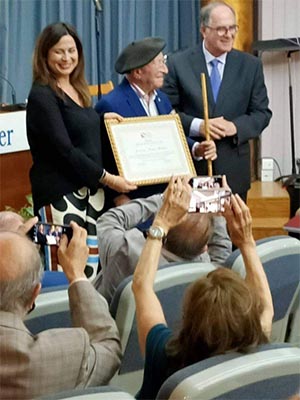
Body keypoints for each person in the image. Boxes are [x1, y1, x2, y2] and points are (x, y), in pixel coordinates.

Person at [132, 176, 274, 399]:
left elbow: (141, 286)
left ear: (189, 318)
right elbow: (266, 307)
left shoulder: (165, 355)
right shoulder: (256, 350)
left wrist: (161, 223)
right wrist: (246, 242)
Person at [26, 22, 136, 279]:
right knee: (64, 271)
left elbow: (80, 131)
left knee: (90, 271)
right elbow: (64, 149)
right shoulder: (42, 95)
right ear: (45, 55)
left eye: (72, 50)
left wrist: (103, 120)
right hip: (61, 197)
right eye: (59, 52)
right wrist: (108, 179)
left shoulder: (78, 90)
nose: (67, 58)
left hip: (90, 197)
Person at [162, 1, 272, 201]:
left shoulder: (250, 65)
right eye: (221, 29)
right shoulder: (179, 63)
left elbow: (262, 114)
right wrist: (199, 126)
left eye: (232, 28)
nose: (229, 34)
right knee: (196, 232)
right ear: (204, 30)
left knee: (230, 231)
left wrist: (234, 127)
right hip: (192, 170)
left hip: (233, 172)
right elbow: (165, 113)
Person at [0, 220, 122, 399]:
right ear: (35, 294)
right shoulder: (56, 357)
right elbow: (109, 350)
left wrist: (12, 245)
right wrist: (77, 275)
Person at [95, 37, 217, 207]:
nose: (165, 70)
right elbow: (103, 159)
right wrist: (118, 198)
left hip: (173, 190)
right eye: (159, 63)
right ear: (138, 72)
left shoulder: (162, 99)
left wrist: (197, 148)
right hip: (136, 200)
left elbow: (173, 138)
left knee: (217, 204)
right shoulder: (112, 104)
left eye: (164, 62)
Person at [95, 187, 231, 304]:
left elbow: (108, 220)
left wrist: (163, 200)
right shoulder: (209, 274)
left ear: (165, 233)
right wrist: (218, 213)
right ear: (204, 249)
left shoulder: (127, 250)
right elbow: (222, 254)